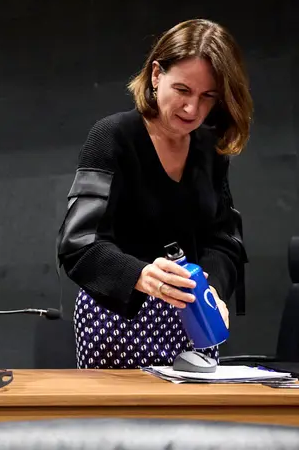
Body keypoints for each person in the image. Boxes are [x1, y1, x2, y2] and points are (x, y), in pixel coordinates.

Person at [56, 19, 252, 369]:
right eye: (183, 90)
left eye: (208, 97)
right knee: (121, 424)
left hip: (193, 319)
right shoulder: (112, 136)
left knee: (196, 423)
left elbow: (225, 241)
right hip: (115, 321)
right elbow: (79, 243)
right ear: (156, 74)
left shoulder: (210, 148)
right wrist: (143, 276)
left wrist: (213, 287)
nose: (193, 109)